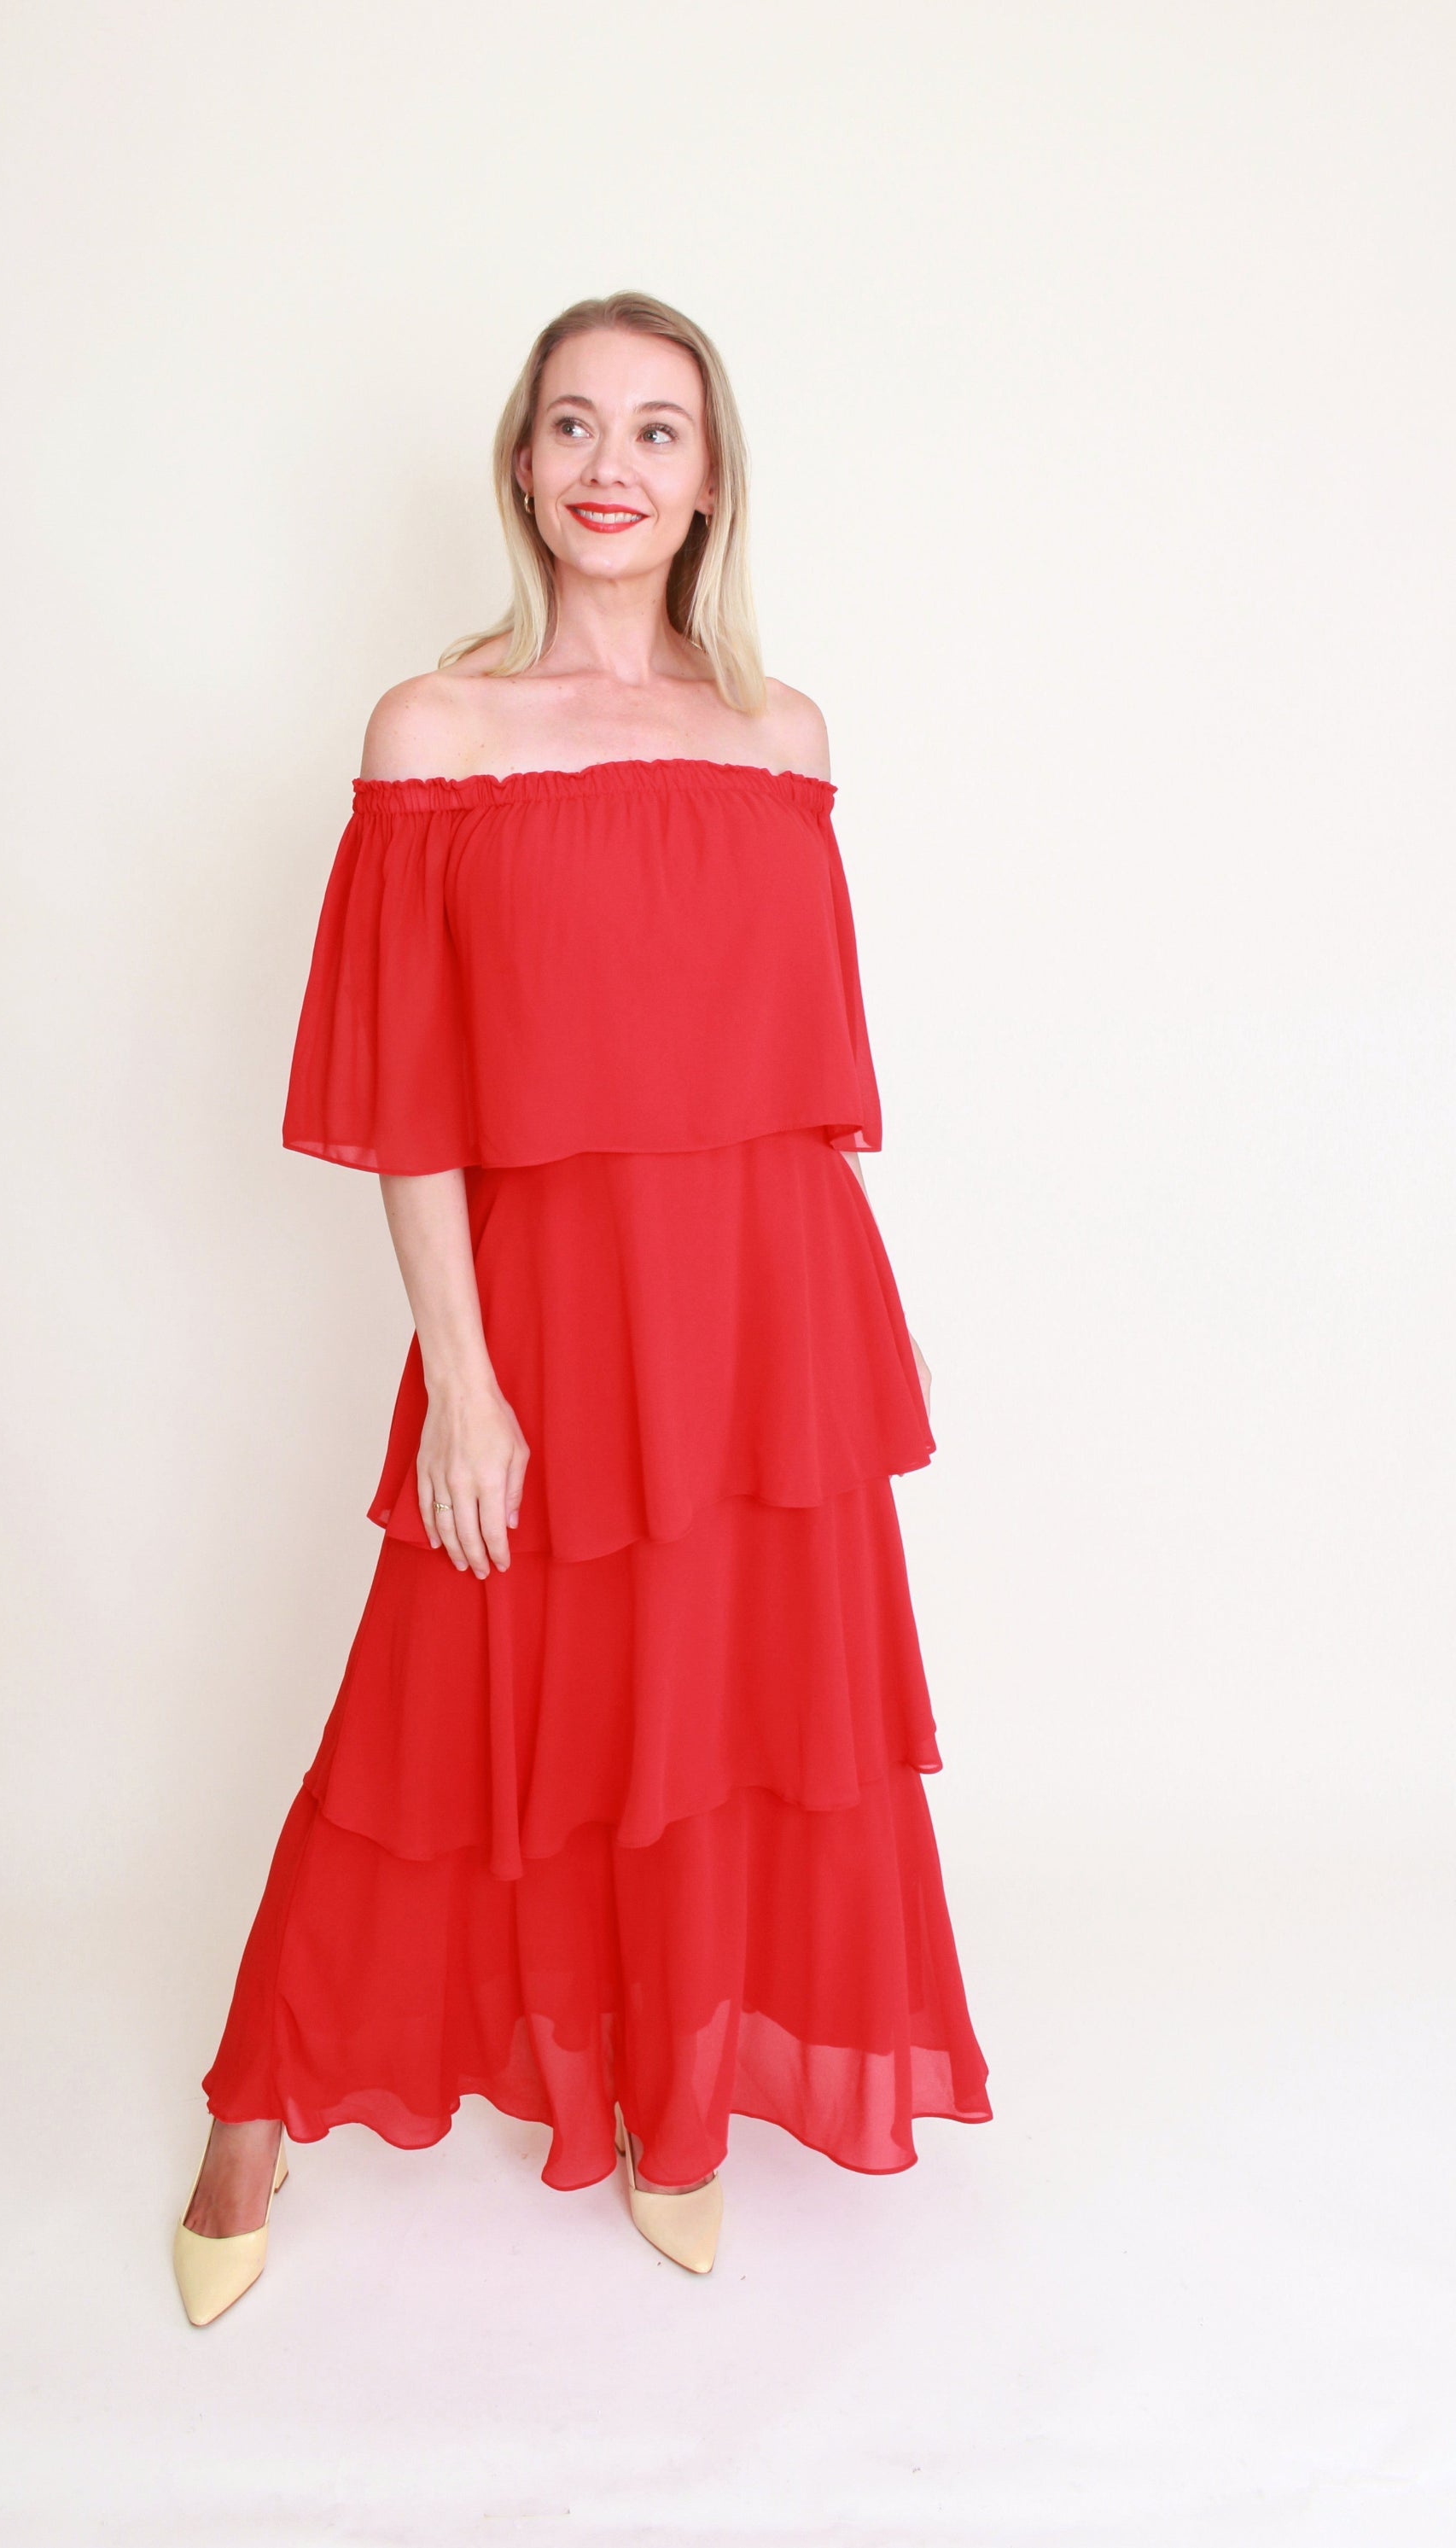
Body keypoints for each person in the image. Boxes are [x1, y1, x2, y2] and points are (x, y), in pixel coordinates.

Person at [173, 290, 992, 2325]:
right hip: (541, 1308)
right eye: (571, 427)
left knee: (709, 1712)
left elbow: (791, 1082)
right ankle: (252, 2114)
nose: (610, 467)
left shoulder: (777, 735)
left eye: (654, 430)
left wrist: (804, 1352)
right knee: (436, 1711)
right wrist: (463, 1378)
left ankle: (674, 2094)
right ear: (521, 467)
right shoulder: (434, 733)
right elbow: (411, 1096)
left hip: (766, 1308)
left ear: (708, 478)